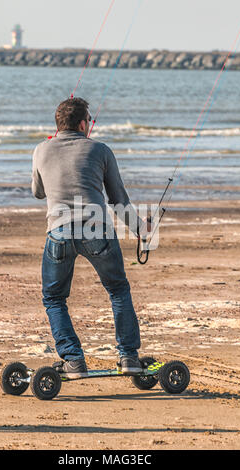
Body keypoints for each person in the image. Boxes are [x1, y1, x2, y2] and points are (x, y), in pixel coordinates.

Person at [32, 97, 148, 378]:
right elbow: (119, 201)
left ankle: (73, 360)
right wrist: (142, 230)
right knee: (118, 290)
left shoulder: (41, 149)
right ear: (84, 124)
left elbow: (38, 192)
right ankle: (129, 357)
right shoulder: (100, 149)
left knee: (54, 298)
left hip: (59, 231)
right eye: (89, 121)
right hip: (97, 230)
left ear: (58, 124)